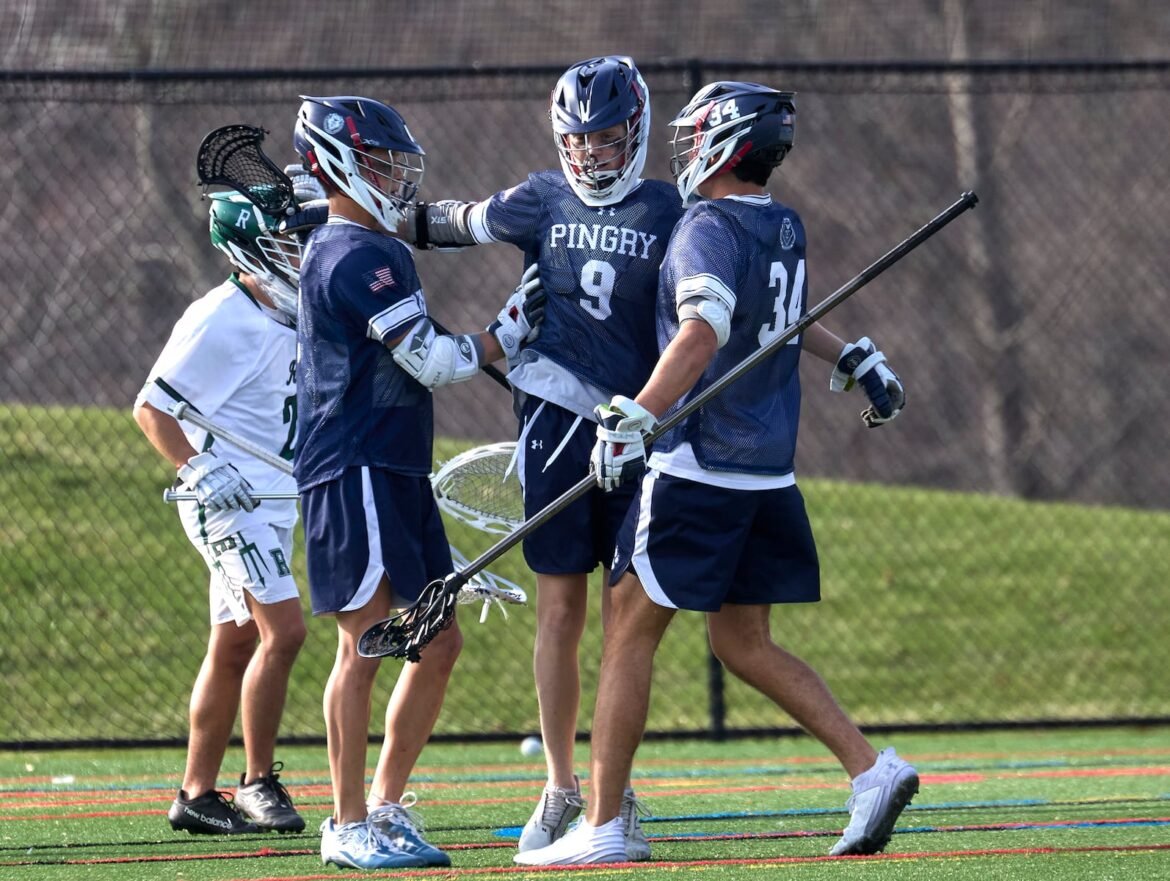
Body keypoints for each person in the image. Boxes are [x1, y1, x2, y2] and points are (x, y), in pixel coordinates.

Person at [514, 81, 918, 866]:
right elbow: (787, 322)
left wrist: (637, 411)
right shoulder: (784, 223)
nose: (681, 145)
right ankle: (873, 769)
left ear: (724, 145)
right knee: (743, 642)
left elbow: (703, 329)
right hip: (767, 471)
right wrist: (859, 356)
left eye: (695, 132)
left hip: (698, 465)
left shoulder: (703, 224)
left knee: (627, 631)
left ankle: (603, 824)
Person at [402, 56, 684, 860]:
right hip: (556, 414)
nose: (592, 153)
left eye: (606, 137)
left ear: (635, 129)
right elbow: (447, 222)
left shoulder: (672, 207)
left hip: (639, 425)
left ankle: (610, 785)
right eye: (579, 138)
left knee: (628, 614)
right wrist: (343, 207)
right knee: (560, 607)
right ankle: (562, 784)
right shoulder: (539, 196)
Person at [291, 94, 544, 870]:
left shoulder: (372, 246)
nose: (396, 179)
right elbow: (430, 360)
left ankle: (387, 804)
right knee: (367, 643)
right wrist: (506, 334)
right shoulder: (351, 255)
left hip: (395, 463)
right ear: (339, 166)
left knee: (435, 642)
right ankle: (346, 821)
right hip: (353, 462)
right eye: (379, 163)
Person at [134, 188, 319, 835]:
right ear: (249, 248)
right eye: (287, 239)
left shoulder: (294, 314)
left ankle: (195, 792)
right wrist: (198, 467)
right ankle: (258, 782)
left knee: (236, 639)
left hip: (271, 495)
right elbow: (152, 408)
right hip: (227, 497)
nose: (300, 250)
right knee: (284, 631)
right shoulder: (221, 316)